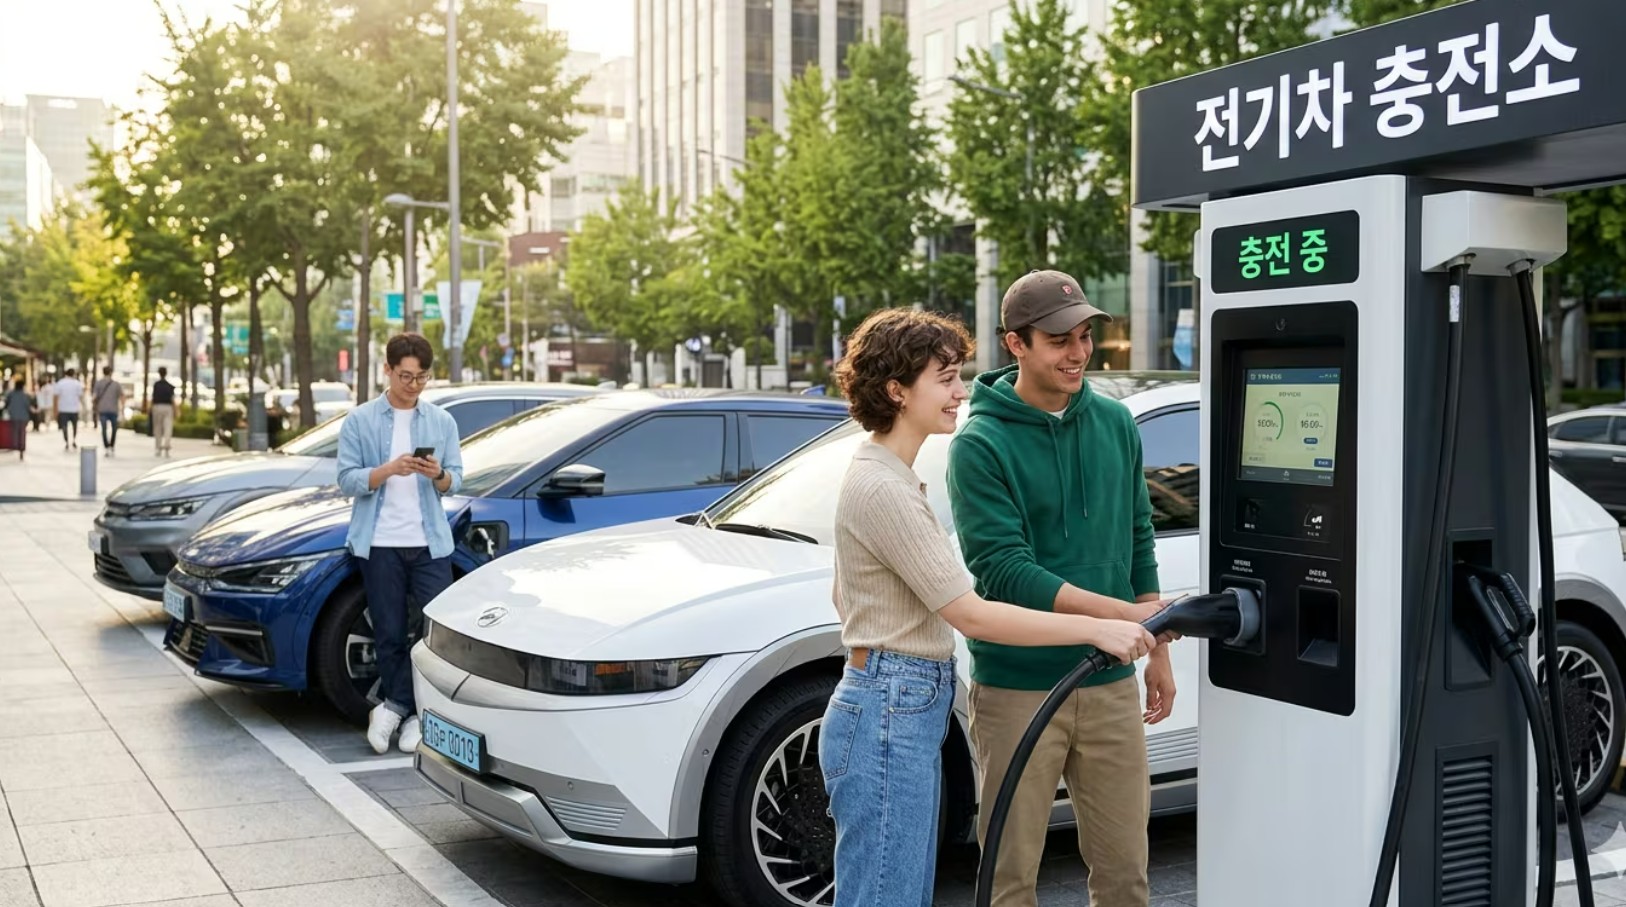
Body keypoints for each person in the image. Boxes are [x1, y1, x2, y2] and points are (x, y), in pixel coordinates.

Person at [820, 307, 1157, 907]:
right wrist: (1108, 625)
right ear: (897, 390)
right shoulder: (885, 485)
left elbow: (846, 594)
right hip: (893, 702)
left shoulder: (889, 476)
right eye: (945, 378)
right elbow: (974, 610)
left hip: (898, 697)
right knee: (889, 895)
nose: (960, 392)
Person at [946, 270, 1176, 907]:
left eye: (1083, 336)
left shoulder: (1115, 424)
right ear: (1015, 344)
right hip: (1019, 687)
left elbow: (1138, 535)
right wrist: (1126, 617)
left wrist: (1156, 647)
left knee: (1127, 875)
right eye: (1058, 340)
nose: (1078, 353)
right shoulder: (980, 444)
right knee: (1010, 878)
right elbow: (1005, 572)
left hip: (1107, 683)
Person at [336, 333, 463, 754]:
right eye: (405, 376)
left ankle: (406, 711)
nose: (413, 384)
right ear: (387, 370)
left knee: (432, 636)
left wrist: (436, 474)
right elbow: (347, 480)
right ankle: (403, 711)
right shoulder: (360, 420)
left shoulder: (441, 422)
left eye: (422, 377)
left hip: (429, 544)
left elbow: (456, 479)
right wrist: (388, 469)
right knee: (389, 632)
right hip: (382, 543)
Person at [93, 366, 124, 455]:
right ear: (111, 372)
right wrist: (122, 408)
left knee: (104, 429)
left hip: (102, 409)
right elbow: (122, 396)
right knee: (114, 428)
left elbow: (94, 396)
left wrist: (94, 406)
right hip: (113, 409)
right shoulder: (116, 384)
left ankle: (106, 446)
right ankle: (112, 445)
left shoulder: (98, 383)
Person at [54, 369, 83, 450]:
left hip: (63, 409)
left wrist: (55, 410)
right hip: (74, 409)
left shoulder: (60, 383)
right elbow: (80, 396)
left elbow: (55, 397)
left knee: (64, 426)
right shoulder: (77, 384)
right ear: (73, 374)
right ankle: (73, 440)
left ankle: (66, 441)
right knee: (74, 426)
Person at [150, 367, 176, 457]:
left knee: (158, 428)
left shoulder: (156, 385)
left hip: (157, 407)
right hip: (168, 407)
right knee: (168, 427)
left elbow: (153, 398)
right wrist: (176, 410)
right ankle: (167, 446)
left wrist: (150, 408)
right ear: (166, 373)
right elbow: (173, 400)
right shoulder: (170, 386)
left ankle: (158, 448)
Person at [3, 377, 31, 460]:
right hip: (23, 416)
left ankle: (15, 445)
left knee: (14, 431)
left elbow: (6, 403)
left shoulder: (10, 394)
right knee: (22, 433)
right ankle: (21, 448)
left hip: (14, 415)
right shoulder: (25, 395)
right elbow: (27, 406)